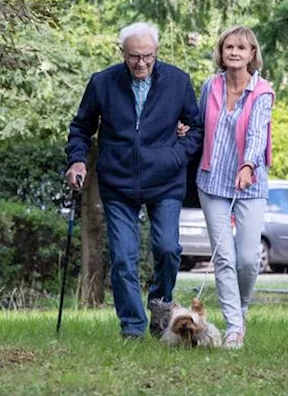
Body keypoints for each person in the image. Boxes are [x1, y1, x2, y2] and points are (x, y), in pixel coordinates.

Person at [64, 22, 203, 339]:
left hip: (165, 180)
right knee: (124, 258)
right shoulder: (102, 82)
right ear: (122, 53)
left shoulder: (178, 81)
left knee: (168, 249)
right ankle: (133, 328)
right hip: (118, 181)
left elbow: (195, 128)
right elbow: (81, 127)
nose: (141, 63)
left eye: (148, 57)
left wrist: (176, 156)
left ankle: (161, 306)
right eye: (134, 57)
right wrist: (77, 160)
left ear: (157, 52)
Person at [195, 25, 274, 349]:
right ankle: (233, 328)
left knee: (246, 259)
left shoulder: (263, 91)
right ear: (221, 52)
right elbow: (199, 123)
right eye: (229, 47)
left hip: (250, 184)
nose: (234, 52)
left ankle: (240, 308)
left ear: (252, 53)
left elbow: (257, 134)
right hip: (212, 182)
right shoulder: (209, 87)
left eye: (241, 48)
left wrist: (247, 165)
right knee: (224, 258)